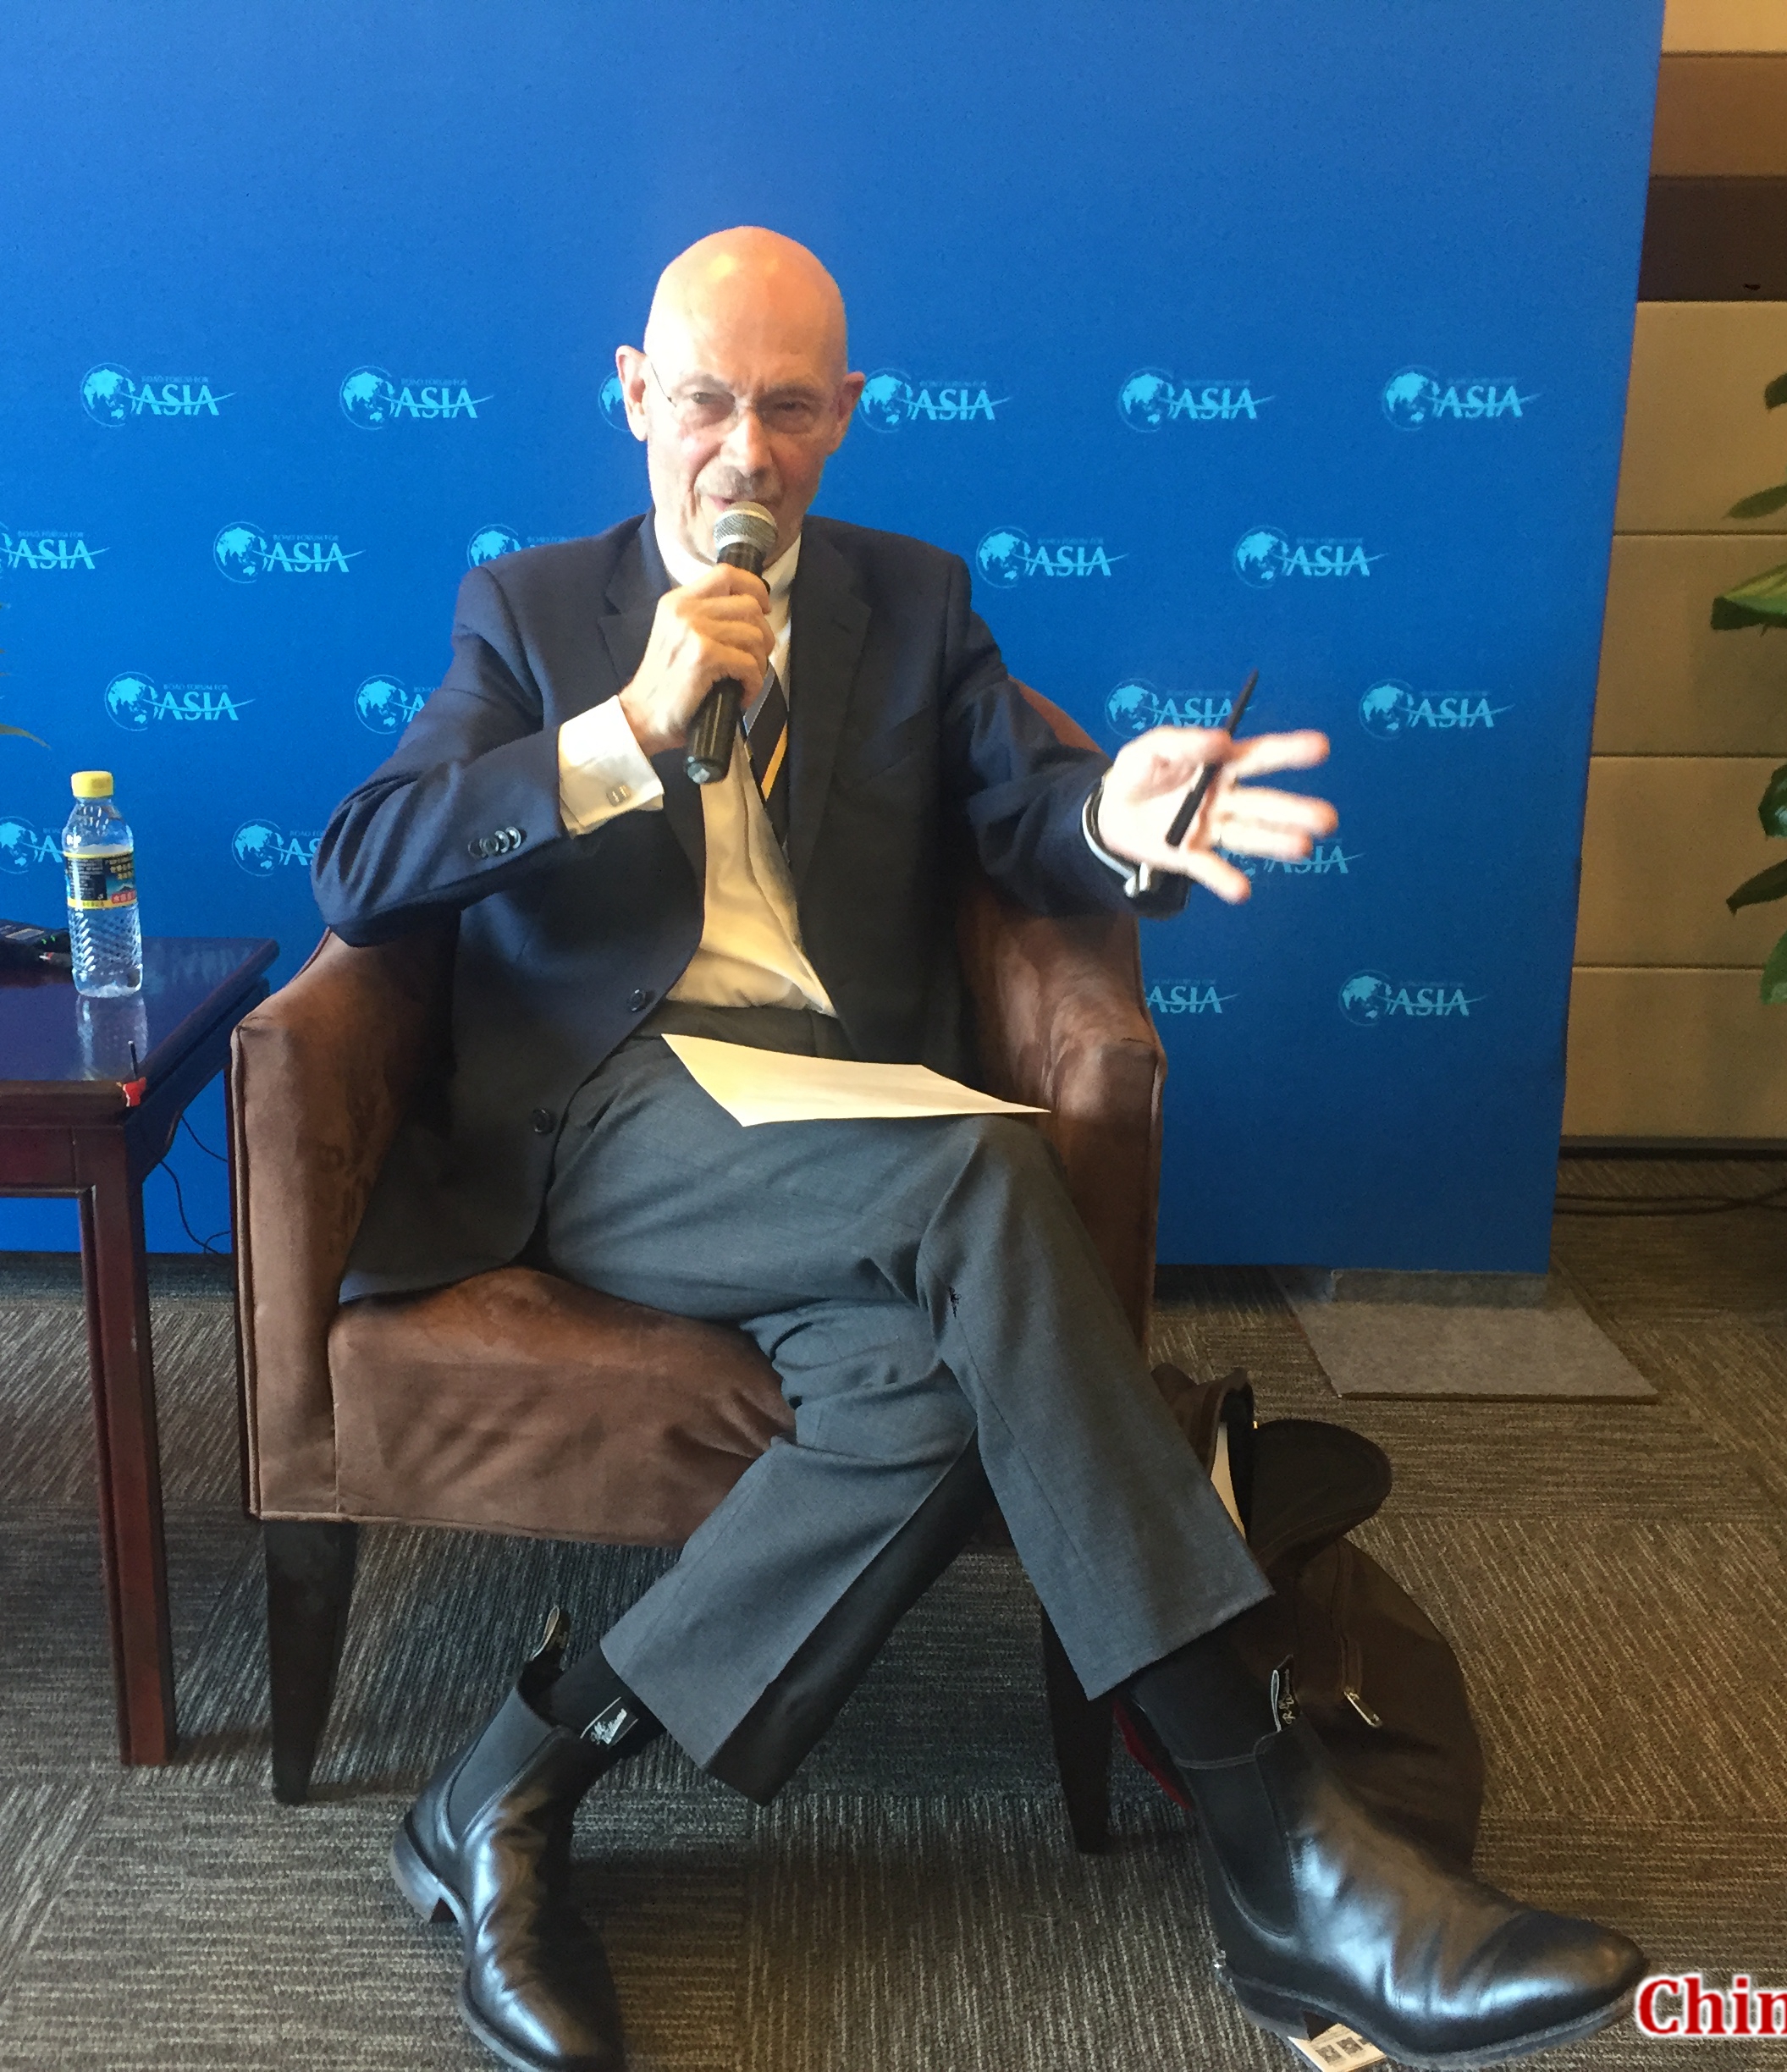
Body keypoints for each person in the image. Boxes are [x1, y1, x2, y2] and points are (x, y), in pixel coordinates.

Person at [313, 227, 1643, 2072]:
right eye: (703, 401)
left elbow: (1034, 822)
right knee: (985, 1176)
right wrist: (620, 731)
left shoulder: (915, 603)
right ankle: (1285, 1855)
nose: (741, 453)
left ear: (844, 418)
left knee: (932, 1389)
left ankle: (507, 1785)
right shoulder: (529, 611)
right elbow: (364, 866)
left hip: (850, 1114)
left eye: (788, 408)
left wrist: (1125, 811)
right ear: (632, 393)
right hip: (617, 1121)